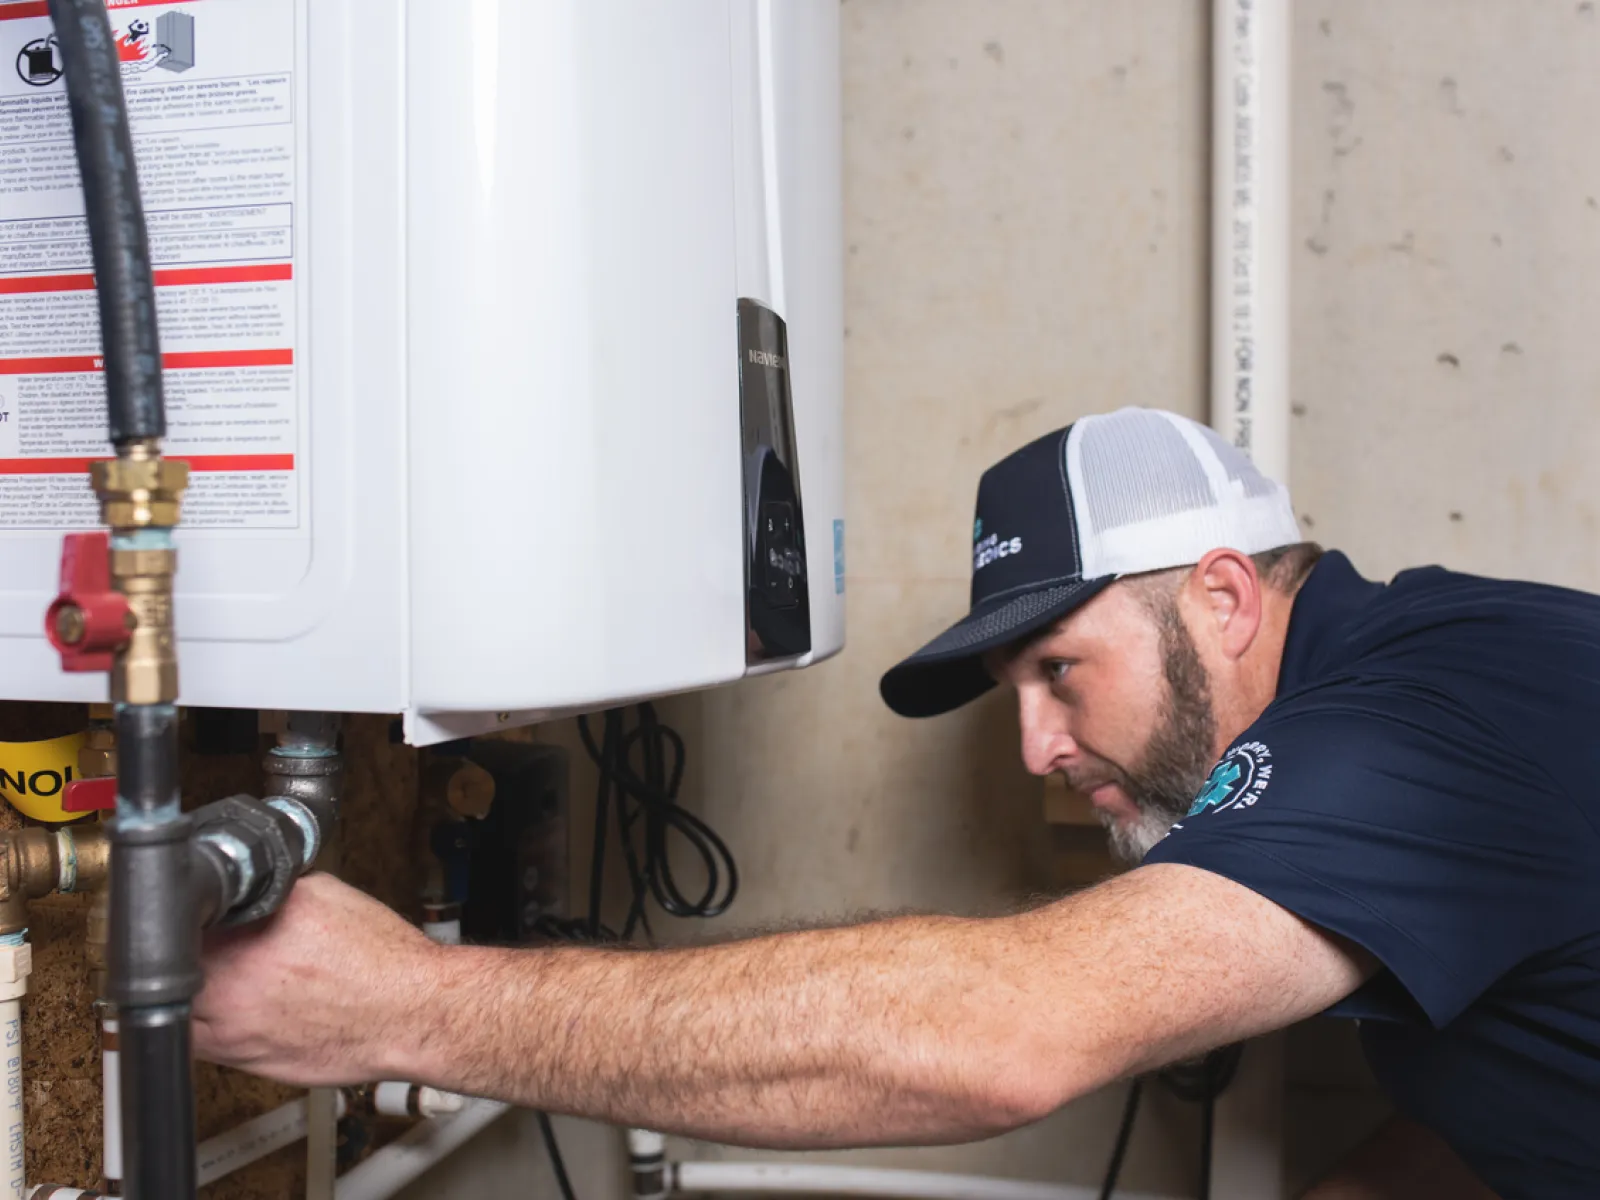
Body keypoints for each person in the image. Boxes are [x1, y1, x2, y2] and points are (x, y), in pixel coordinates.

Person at [194, 407, 1600, 1200]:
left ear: (1224, 597)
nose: (1039, 748)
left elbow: (999, 1040)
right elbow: (1532, 1092)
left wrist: (399, 1008)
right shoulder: (1420, 714)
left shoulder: (1430, 716)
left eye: (1061, 670)